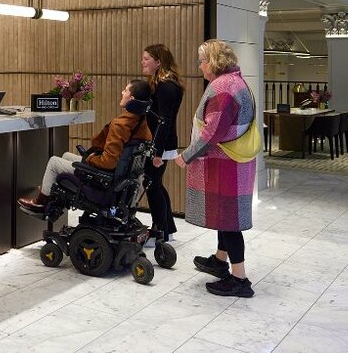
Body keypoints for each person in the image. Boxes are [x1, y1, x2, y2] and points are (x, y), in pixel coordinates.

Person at [173, 39, 258, 298]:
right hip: (234, 163)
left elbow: (212, 133)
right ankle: (220, 260)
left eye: (201, 61)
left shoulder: (223, 87)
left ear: (211, 62)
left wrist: (186, 156)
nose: (200, 67)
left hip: (226, 165)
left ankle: (240, 279)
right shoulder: (236, 81)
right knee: (225, 216)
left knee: (230, 221)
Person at [18, 79, 152, 213]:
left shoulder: (120, 125)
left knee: (54, 162)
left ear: (132, 99)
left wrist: (90, 158)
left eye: (125, 90)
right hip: (119, 177)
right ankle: (51, 197)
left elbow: (109, 162)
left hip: (105, 179)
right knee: (66, 155)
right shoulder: (142, 124)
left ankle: (41, 202)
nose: (122, 92)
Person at [141, 44, 184, 243]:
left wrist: (156, 151)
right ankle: (167, 229)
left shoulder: (167, 86)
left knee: (152, 185)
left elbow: (164, 120)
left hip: (162, 145)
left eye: (147, 58)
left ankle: (160, 232)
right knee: (155, 184)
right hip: (161, 144)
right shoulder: (164, 84)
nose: (143, 62)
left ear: (159, 62)